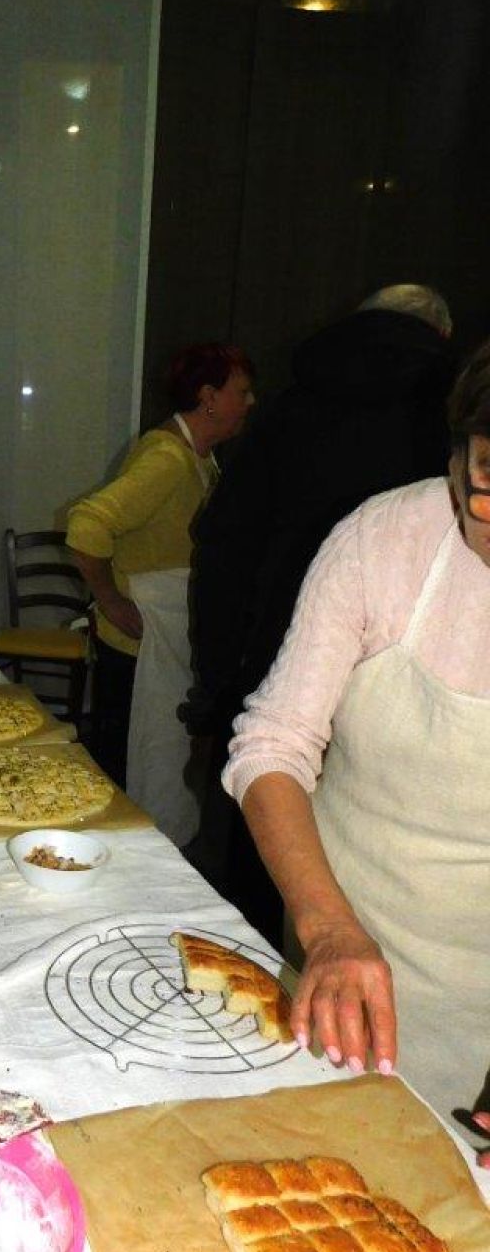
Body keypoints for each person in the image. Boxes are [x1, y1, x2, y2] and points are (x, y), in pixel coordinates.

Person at [223, 344, 490, 1153]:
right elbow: (271, 745)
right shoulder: (385, 540)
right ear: (457, 461)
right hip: (343, 945)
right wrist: (330, 930)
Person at [185, 285, 455, 946]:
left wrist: (216, 680)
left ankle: (257, 977)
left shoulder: (290, 406)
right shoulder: (447, 414)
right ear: (442, 338)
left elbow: (223, 545)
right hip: (403, 679)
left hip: (273, 649)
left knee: (260, 839)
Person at [65, 343, 254, 835]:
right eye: (242, 391)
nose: (250, 402)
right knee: (128, 764)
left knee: (154, 758)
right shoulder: (168, 458)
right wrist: (110, 599)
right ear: (208, 397)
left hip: (163, 635)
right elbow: (87, 524)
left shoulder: (199, 458)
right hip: (136, 644)